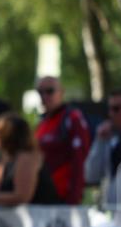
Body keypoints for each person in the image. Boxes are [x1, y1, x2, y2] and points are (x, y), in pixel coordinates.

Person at [0, 113, 60, 206]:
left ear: (10, 136)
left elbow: (22, 197)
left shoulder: (26, 157)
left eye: (0, 131)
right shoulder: (7, 159)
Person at [33, 76, 90, 204]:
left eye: (49, 91)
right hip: (42, 193)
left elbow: (79, 159)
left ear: (61, 92)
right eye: (40, 92)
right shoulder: (42, 123)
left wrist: (74, 197)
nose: (44, 96)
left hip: (62, 195)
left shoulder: (72, 119)